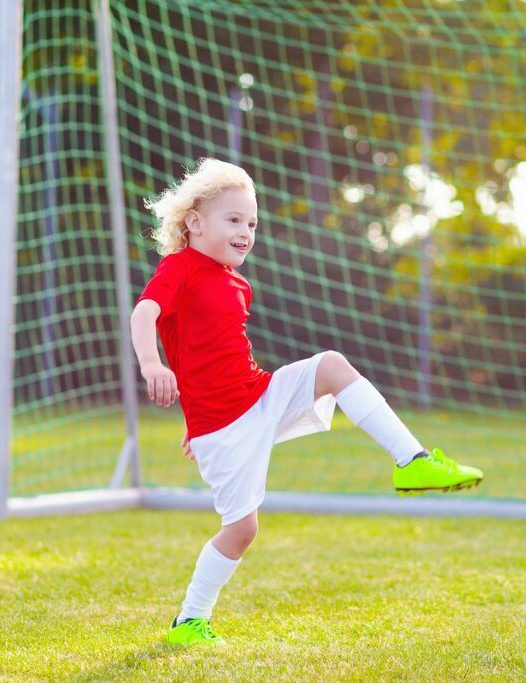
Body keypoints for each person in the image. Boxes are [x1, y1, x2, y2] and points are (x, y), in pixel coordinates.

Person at [130, 158, 484, 647]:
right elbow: (145, 313)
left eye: (252, 223)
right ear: (194, 222)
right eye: (233, 220)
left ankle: (413, 461)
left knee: (332, 366)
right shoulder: (180, 268)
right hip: (223, 428)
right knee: (241, 530)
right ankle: (189, 621)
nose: (246, 231)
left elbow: (212, 354)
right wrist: (152, 366)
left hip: (256, 395)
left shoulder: (238, 283)